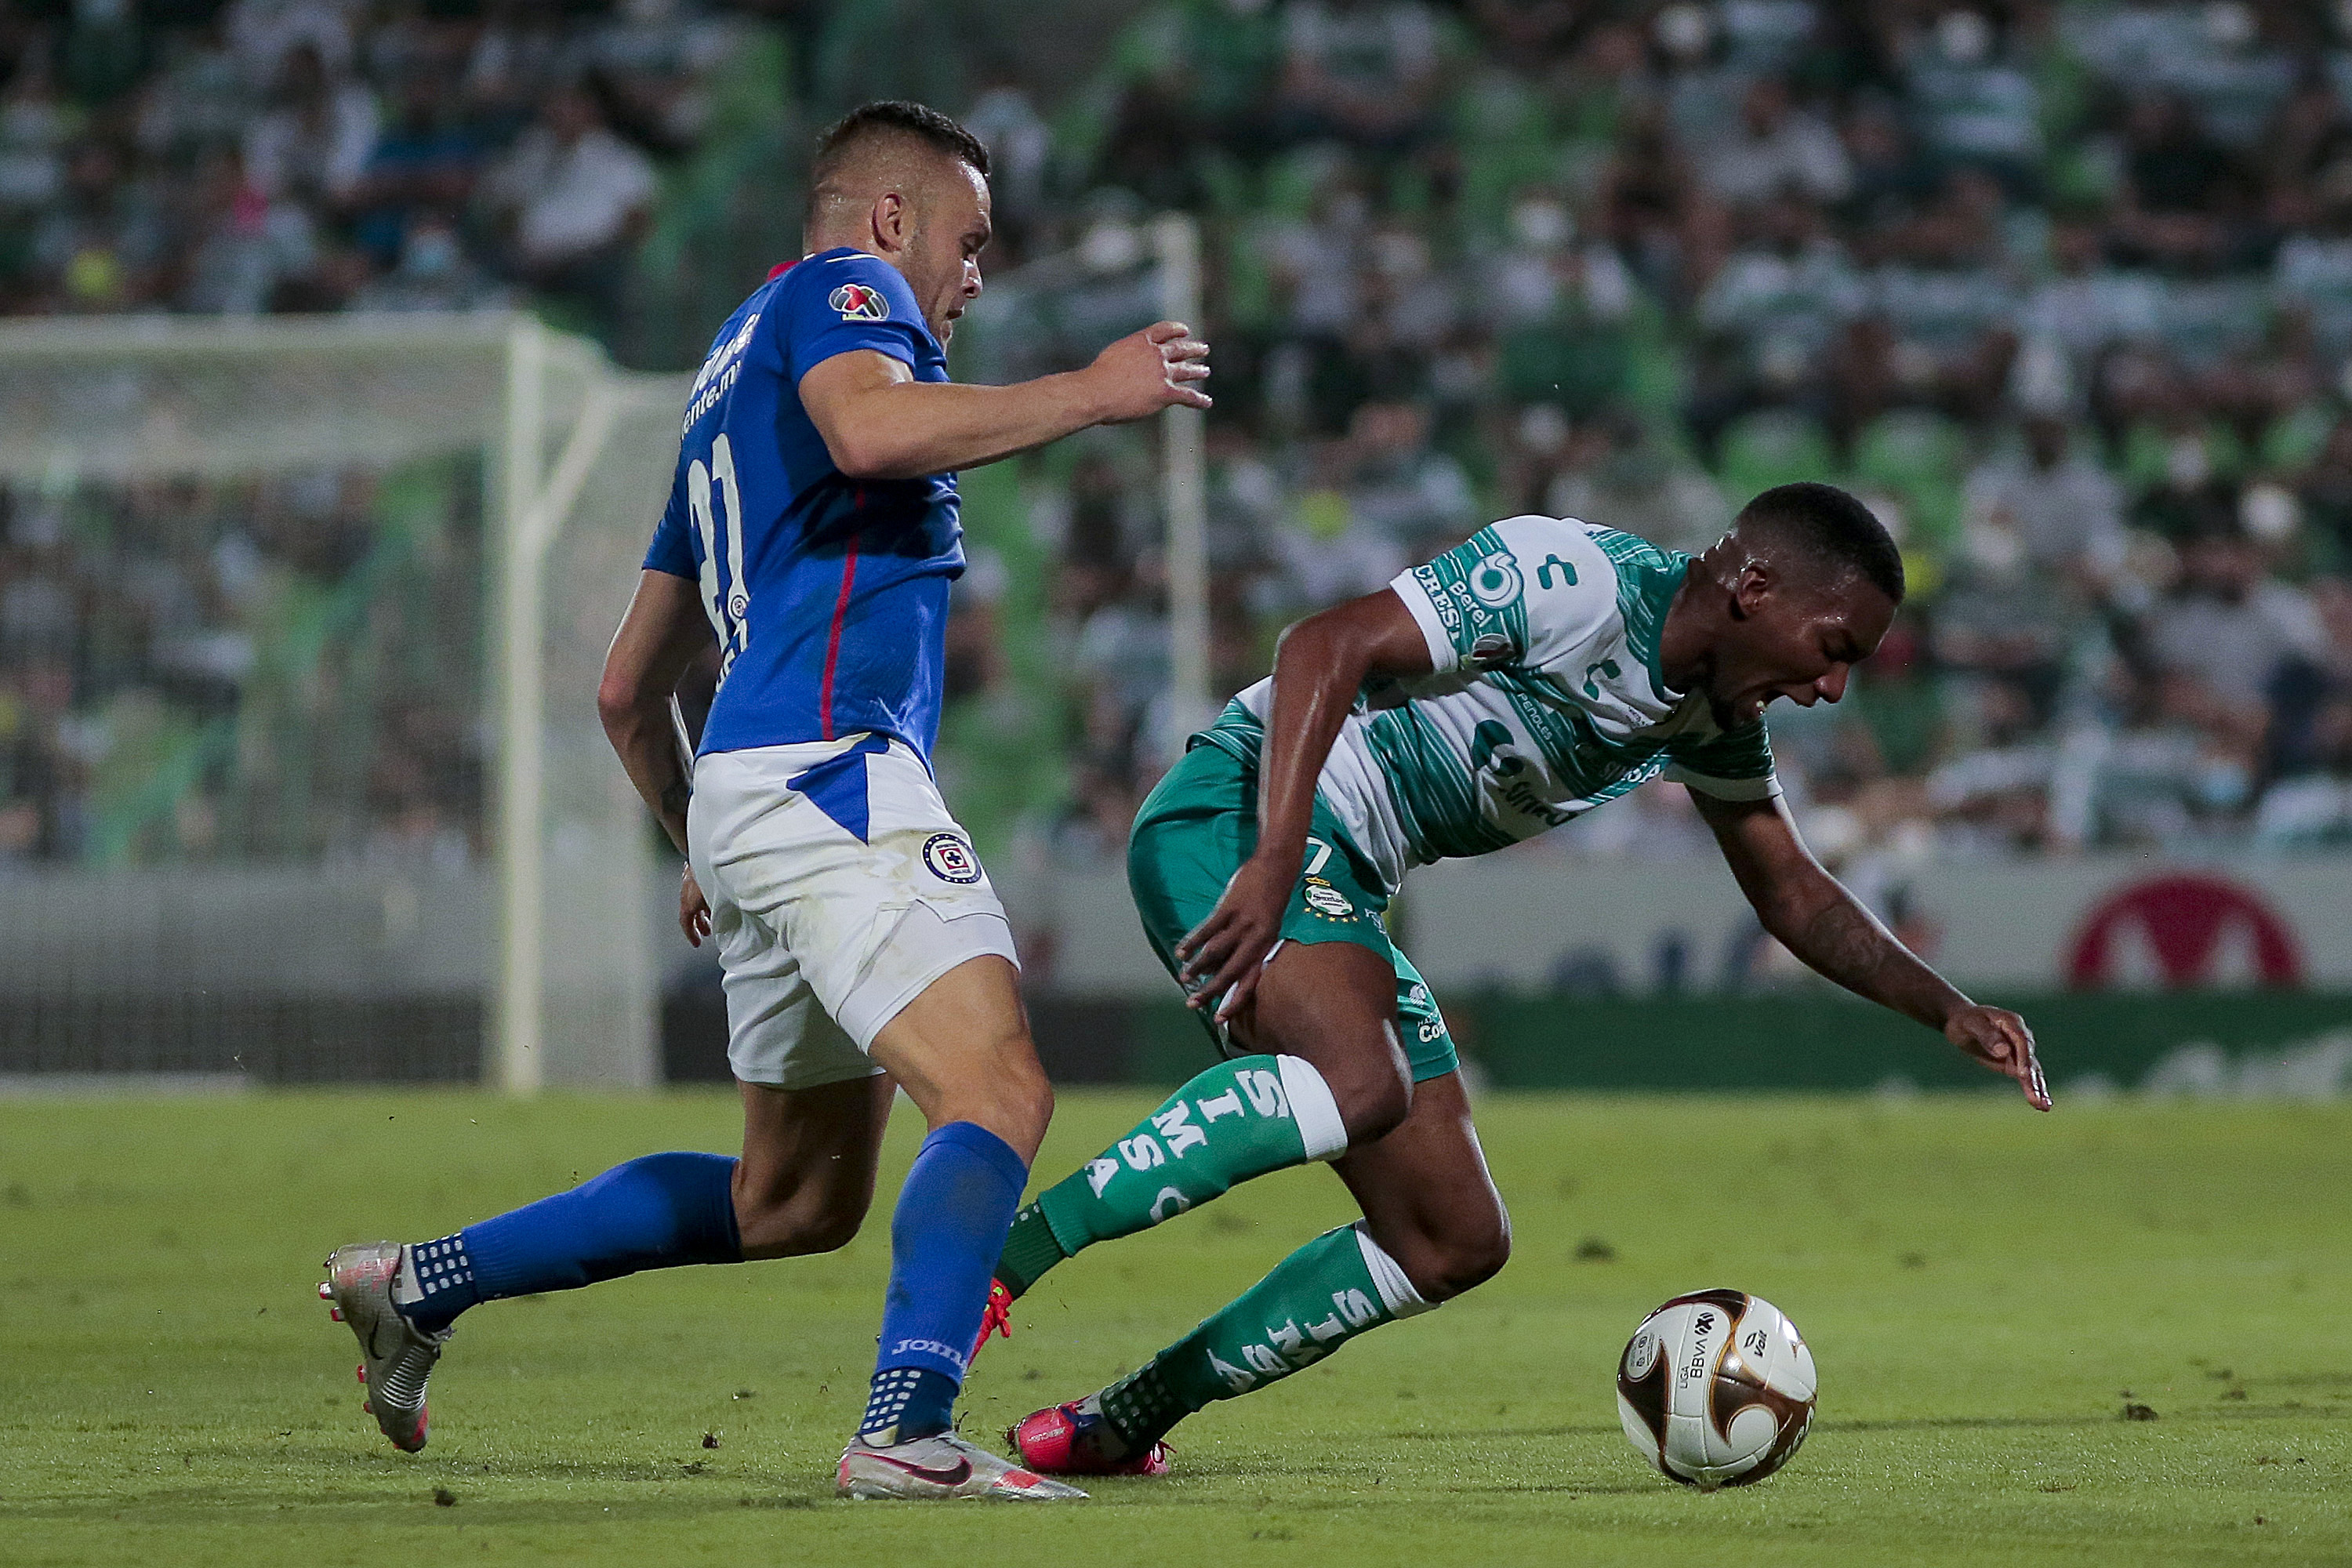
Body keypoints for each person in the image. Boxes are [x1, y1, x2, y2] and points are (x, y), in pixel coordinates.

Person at [318, 100, 1211, 1503]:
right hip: (829, 765)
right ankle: (907, 1431)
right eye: (970, 240)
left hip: (754, 789)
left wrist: (707, 837)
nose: (977, 276)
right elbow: (870, 432)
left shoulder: (724, 392)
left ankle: (417, 1284)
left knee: (790, 1198)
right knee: (997, 1086)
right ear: (892, 219)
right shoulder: (842, 294)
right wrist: (1092, 392)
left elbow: (629, 689)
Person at [983, 482, 2049, 1477]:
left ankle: (1128, 1418)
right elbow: (1324, 645)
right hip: (1240, 812)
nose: (1831, 688)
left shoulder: (1713, 714)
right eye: (1832, 649)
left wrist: (1946, 1009)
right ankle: (993, 1258)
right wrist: (1270, 858)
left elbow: (1792, 891)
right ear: (1755, 588)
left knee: (1450, 1239)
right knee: (1361, 1083)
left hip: (1341, 876)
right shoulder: (1572, 581)